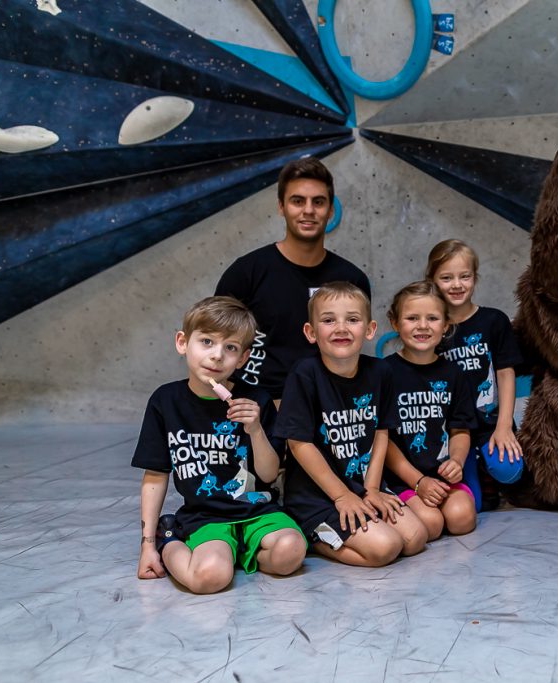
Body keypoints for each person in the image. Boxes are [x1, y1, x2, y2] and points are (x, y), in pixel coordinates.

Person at [133, 296, 306, 593]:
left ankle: (236, 549)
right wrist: (147, 544)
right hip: (205, 515)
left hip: (258, 511)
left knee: (290, 552)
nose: (217, 356)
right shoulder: (165, 401)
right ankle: (169, 538)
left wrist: (255, 430)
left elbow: (268, 474)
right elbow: (156, 475)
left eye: (230, 348)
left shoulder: (258, 400)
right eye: (207, 342)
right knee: (210, 578)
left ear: (242, 358)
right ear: (182, 342)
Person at [274, 282, 428, 566]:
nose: (341, 328)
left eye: (352, 320)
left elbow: (382, 432)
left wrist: (370, 489)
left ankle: (356, 514)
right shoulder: (305, 374)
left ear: (369, 330)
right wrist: (342, 496)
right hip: (319, 495)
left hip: (360, 484)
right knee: (385, 548)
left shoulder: (380, 372)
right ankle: (313, 534)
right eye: (329, 320)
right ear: (311, 332)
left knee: (416, 537)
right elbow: (298, 444)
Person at [216, 157, 370, 403]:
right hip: (258, 409)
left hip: (328, 408)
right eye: (298, 201)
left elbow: (351, 357)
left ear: (331, 210)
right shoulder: (246, 273)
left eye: (318, 202)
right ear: (281, 206)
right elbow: (216, 347)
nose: (308, 210)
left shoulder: (351, 280)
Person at [427, 239, 524, 511]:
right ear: (432, 280)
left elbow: (506, 373)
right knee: (475, 506)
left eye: (464, 276)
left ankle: (489, 470)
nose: (457, 284)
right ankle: (479, 477)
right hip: (454, 430)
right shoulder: (432, 328)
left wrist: (505, 425)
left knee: (509, 470)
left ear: (475, 277)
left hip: (490, 421)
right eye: (446, 278)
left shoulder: (493, 321)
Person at [382, 281, 478, 540]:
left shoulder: (453, 374)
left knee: (462, 520)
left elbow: (460, 429)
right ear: (395, 323)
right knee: (431, 526)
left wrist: (456, 461)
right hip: (400, 478)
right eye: (412, 318)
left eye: (432, 318)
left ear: (445, 325)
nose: (422, 326)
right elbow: (383, 440)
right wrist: (417, 481)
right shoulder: (384, 373)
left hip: (441, 475)